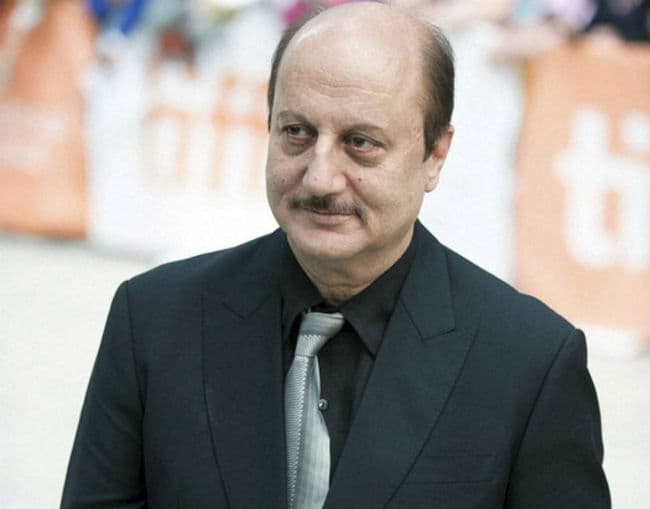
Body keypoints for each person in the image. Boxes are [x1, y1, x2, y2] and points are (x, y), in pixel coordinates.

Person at [61, 3, 610, 508]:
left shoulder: (529, 363)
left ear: (435, 154)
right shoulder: (154, 321)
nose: (320, 178)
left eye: (360, 143)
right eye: (297, 133)